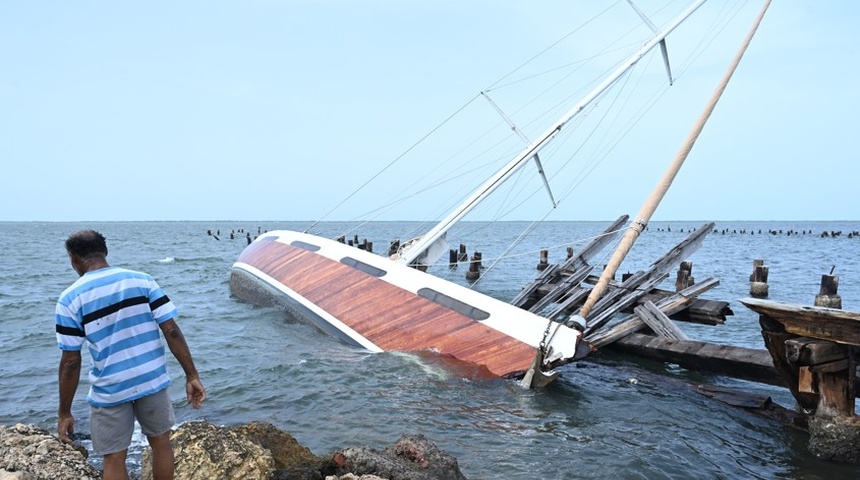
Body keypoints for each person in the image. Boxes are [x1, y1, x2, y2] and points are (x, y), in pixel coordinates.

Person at [56, 229, 205, 480]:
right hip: (152, 380)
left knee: (114, 457)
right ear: (105, 251)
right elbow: (171, 330)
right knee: (161, 444)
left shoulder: (70, 298)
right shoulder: (142, 280)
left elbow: (71, 361)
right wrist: (191, 375)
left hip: (110, 389)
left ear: (73, 259)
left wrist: (64, 412)